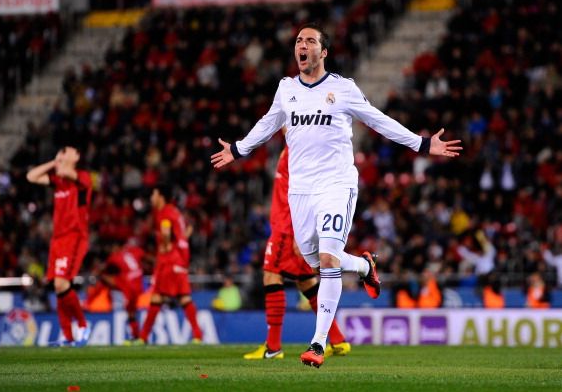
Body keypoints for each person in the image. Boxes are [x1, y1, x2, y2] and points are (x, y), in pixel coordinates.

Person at [212, 22, 462, 367]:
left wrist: (421, 143)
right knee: (315, 261)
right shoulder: (286, 89)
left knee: (328, 260)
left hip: (336, 184)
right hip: (299, 191)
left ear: (323, 52)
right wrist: (239, 149)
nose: (302, 45)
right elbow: (269, 123)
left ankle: (317, 344)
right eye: (299, 40)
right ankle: (363, 264)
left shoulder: (343, 89)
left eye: (310, 41)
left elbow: (377, 120)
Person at [243, 147, 351, 360]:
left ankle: (272, 348)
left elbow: (305, 191)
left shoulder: (298, 148)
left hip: (287, 227)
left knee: (271, 274)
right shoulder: (293, 147)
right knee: (306, 282)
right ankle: (338, 340)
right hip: (287, 225)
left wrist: (297, 233)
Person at [26, 146, 92, 346]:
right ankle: (68, 337)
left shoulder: (82, 178)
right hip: (58, 239)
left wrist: (59, 163)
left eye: (67, 151)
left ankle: (82, 324)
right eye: (61, 151)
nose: (62, 153)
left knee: (61, 284)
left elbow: (64, 171)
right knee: (58, 288)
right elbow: (31, 176)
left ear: (77, 156)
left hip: (74, 236)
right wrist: (52, 163)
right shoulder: (58, 182)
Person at [136, 185, 203, 344]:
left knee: (159, 296)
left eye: (153, 194)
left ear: (160, 196)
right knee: (180, 297)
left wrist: (166, 244)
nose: (152, 198)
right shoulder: (175, 211)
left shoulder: (164, 212)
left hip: (169, 260)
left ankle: (143, 337)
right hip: (180, 259)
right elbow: (186, 230)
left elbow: (166, 231)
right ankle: (197, 335)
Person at [87, 240, 147, 340]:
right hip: (139, 282)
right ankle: (136, 336)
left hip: (128, 284)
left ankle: (137, 336)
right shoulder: (133, 251)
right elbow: (144, 256)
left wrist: (96, 273)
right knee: (131, 310)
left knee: (103, 277)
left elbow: (104, 268)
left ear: (117, 248)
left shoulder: (114, 256)